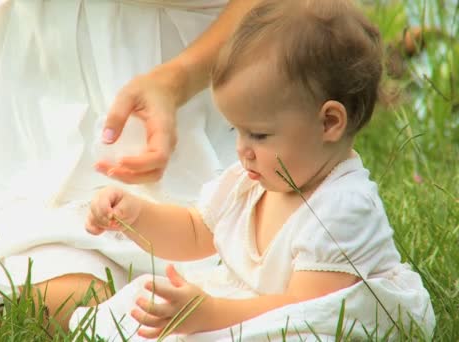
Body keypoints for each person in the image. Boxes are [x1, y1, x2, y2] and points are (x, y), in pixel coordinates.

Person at [78, 0, 435, 340]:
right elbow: (195, 231)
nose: (241, 149)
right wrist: (134, 214)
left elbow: (307, 314)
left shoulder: (343, 207)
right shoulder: (251, 182)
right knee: (144, 301)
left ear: (328, 122)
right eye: (236, 130)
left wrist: (211, 314)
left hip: (310, 321)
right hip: (256, 307)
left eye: (259, 134)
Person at [0, 0, 260, 331]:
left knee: (244, 277)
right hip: (43, 85)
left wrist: (176, 79)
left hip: (210, 66)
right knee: (79, 299)